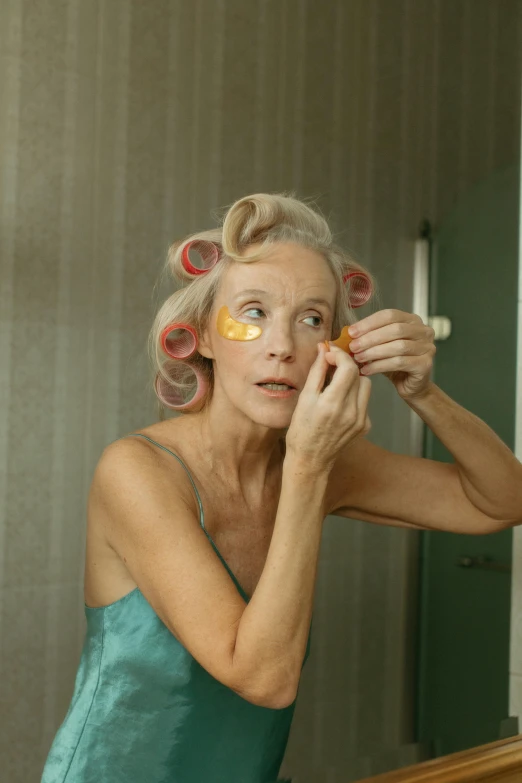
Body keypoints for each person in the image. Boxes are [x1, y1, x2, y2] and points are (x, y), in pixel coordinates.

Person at [41, 192, 522, 783]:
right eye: (252, 312)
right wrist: (309, 468)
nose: (282, 345)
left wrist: (422, 392)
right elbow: (265, 679)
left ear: (335, 345)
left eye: (312, 318)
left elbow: (500, 501)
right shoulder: (139, 471)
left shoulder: (317, 462)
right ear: (204, 337)